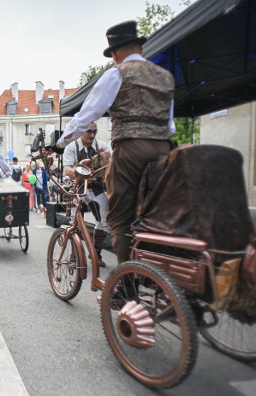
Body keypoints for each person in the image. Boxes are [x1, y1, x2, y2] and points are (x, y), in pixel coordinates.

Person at [56, 20, 175, 263]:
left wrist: (59, 143)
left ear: (116, 53)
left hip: (132, 149)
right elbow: (170, 124)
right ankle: (158, 270)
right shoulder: (165, 77)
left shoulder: (116, 74)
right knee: (157, 213)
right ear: (139, 48)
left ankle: (124, 285)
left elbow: (87, 116)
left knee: (120, 217)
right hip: (164, 150)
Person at [62, 122, 111, 267]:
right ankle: (74, 254)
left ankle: (95, 253)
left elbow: (110, 163)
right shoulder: (72, 147)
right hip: (77, 187)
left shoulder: (102, 147)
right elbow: (66, 170)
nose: (91, 135)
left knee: (103, 220)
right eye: (88, 131)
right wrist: (78, 173)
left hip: (95, 188)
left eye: (94, 132)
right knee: (74, 223)